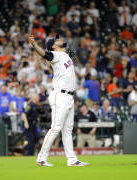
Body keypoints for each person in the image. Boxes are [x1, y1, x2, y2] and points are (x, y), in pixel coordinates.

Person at [29, 34, 88, 167]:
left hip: (69, 97)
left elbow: (68, 50)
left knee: (67, 130)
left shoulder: (65, 55)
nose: (60, 39)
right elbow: (45, 54)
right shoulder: (55, 54)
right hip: (59, 96)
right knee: (56, 128)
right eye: (57, 40)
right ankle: (41, 158)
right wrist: (34, 45)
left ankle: (72, 159)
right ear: (54, 45)